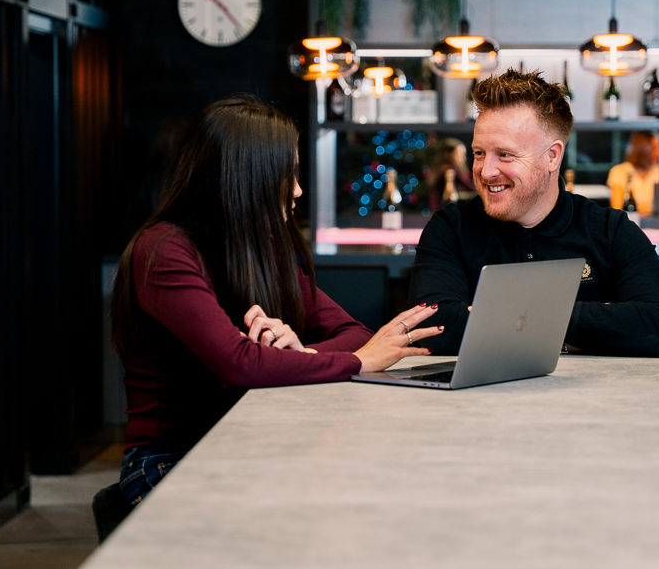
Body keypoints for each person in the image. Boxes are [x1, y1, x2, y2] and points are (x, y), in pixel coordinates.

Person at [111, 95, 441, 504]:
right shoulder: (163, 251)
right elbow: (240, 366)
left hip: (242, 446)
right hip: (167, 459)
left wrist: (301, 351)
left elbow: (353, 332)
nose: (298, 191)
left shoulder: (258, 250)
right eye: (287, 175)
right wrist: (360, 362)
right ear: (246, 177)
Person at [408, 69, 659, 357]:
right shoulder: (450, 229)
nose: (486, 171)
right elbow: (432, 329)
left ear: (552, 156)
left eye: (505, 154)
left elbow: (658, 328)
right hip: (479, 400)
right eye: (478, 153)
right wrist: (593, 320)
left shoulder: (610, 230)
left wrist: (488, 315)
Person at [606, 130, 659, 217]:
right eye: (654, 148)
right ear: (642, 150)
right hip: (630, 225)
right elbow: (617, 210)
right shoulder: (620, 171)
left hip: (656, 226)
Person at [428, 137, 475, 210]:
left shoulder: (440, 169)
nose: (464, 158)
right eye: (460, 155)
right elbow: (469, 186)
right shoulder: (449, 171)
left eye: (464, 155)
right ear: (449, 155)